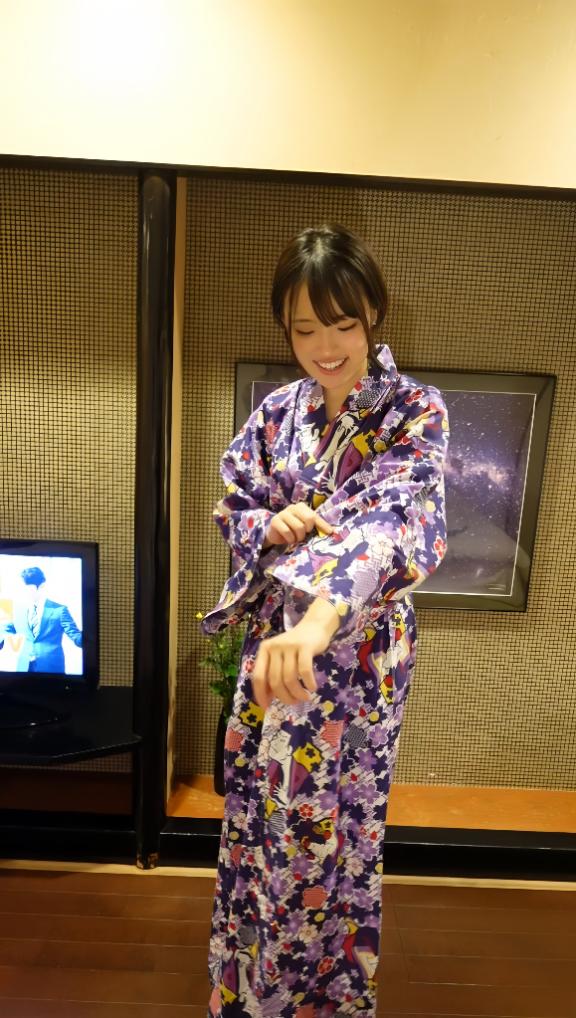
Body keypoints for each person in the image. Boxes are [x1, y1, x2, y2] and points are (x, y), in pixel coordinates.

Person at [201, 223, 449, 1017]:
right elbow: (234, 502)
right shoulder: (279, 412)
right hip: (276, 645)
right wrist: (267, 525)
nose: (325, 347)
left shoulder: (415, 411)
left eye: (342, 324)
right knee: (260, 817)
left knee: (334, 827)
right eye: (304, 329)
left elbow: (391, 526)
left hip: (355, 656)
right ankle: (252, 990)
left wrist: (318, 620)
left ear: (373, 314)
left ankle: (322, 1000)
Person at [0, 566, 83, 673]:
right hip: (23, 667)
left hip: (51, 669)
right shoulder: (19, 610)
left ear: (42, 587)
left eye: (29, 589)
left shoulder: (60, 610)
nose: (26, 593)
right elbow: (5, 629)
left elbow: (76, 636)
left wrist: (88, 636)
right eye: (23, 589)